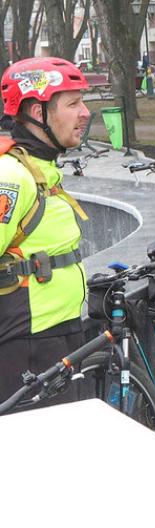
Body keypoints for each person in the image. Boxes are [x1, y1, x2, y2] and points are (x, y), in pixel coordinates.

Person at [0, 57, 91, 407]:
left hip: (57, 333)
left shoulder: (41, 169)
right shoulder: (13, 176)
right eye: (72, 103)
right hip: (28, 343)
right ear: (37, 113)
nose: (84, 113)